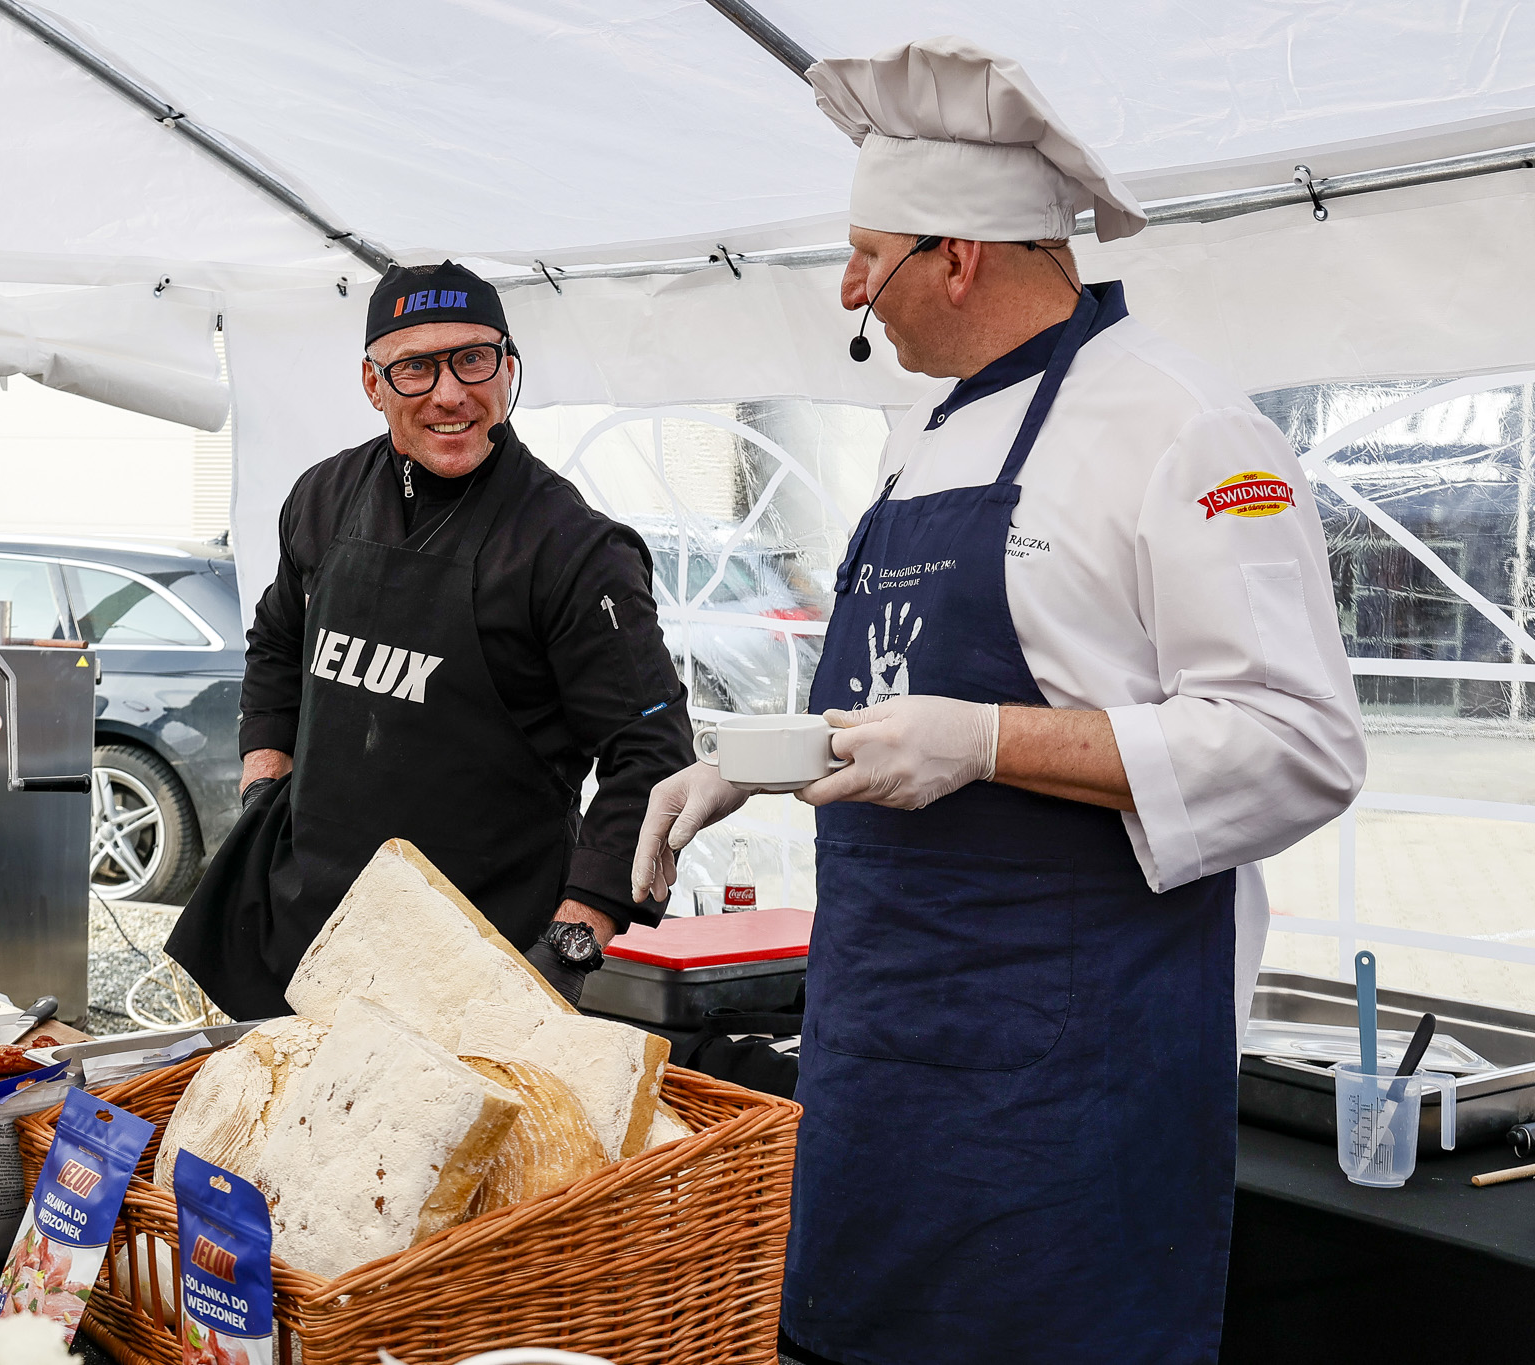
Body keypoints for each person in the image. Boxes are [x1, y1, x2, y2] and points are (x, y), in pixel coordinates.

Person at [633, 37, 1366, 1365]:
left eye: (867, 257)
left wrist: (986, 741)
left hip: (1072, 1087)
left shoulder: (1185, 430)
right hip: (882, 1056)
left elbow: (1295, 742)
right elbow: (897, 703)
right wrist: (764, 758)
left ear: (958, 256)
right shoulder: (924, 444)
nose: (850, 290)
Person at [170, 260, 692, 1013]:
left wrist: (571, 943)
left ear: (506, 368)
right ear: (373, 384)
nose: (450, 394)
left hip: (482, 957)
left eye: (473, 359)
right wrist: (264, 782)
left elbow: (652, 757)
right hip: (307, 933)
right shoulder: (323, 497)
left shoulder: (573, 548)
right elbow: (278, 643)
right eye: (415, 368)